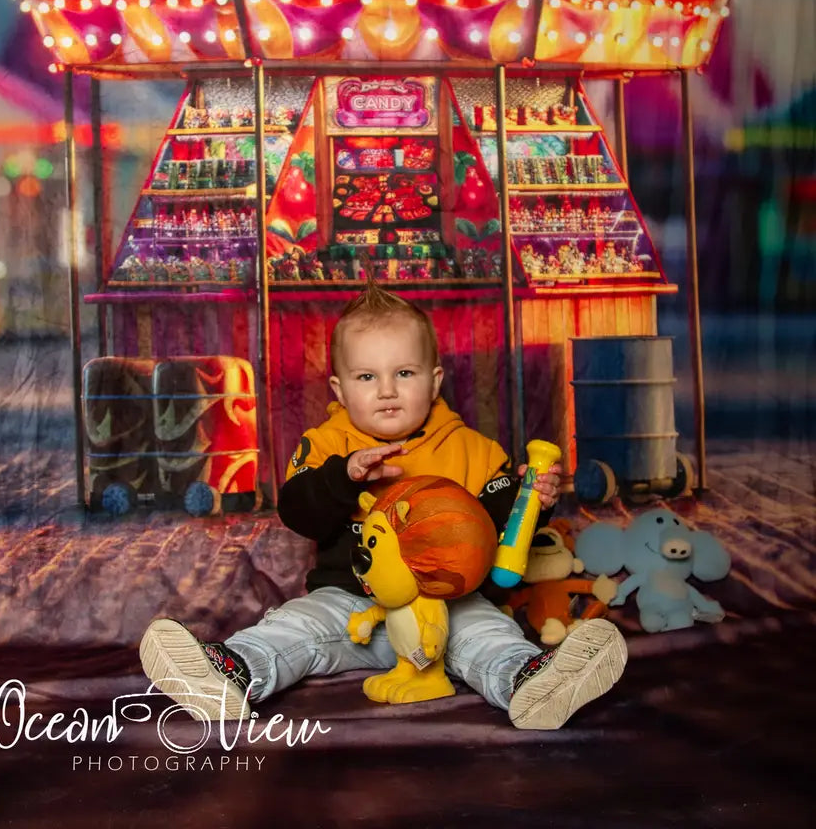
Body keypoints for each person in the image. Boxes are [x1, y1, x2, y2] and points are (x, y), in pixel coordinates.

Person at [139, 283, 627, 730]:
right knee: (293, 626)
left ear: (434, 382)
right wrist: (343, 476)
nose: (387, 390)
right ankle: (234, 672)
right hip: (349, 605)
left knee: (487, 631)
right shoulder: (326, 444)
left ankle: (527, 682)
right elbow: (297, 511)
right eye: (367, 376)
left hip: (445, 609)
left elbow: (497, 523)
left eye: (405, 373)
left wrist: (529, 498)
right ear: (340, 389)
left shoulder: (471, 448)